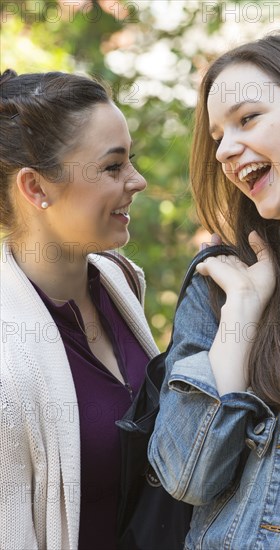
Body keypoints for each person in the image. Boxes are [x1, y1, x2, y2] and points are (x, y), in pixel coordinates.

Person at [148, 29, 280, 549]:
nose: (225, 149)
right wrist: (240, 320)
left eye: (248, 119)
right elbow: (187, 477)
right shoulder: (220, 284)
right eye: (218, 135)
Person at [0, 69, 160, 549]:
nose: (138, 181)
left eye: (131, 161)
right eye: (113, 167)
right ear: (35, 188)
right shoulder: (8, 366)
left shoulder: (120, 281)